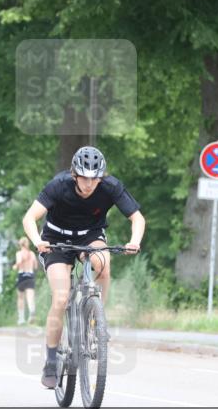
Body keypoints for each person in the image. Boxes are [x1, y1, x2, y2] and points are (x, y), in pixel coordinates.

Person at [22, 146, 144, 388]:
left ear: (101, 177)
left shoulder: (110, 187)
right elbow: (29, 217)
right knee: (60, 297)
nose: (89, 184)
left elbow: (137, 218)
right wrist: (38, 242)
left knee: (103, 263)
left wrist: (135, 241)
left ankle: (97, 320)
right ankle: (51, 361)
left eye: (94, 179)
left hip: (90, 236)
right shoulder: (58, 185)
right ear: (74, 175)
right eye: (84, 178)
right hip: (55, 240)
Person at [12, 237, 38, 325]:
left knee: (21, 298)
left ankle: (21, 318)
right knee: (30, 297)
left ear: (20, 244)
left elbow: (19, 262)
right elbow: (35, 266)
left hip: (22, 275)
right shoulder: (32, 254)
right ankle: (32, 312)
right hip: (30, 275)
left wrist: (15, 266)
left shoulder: (19, 253)